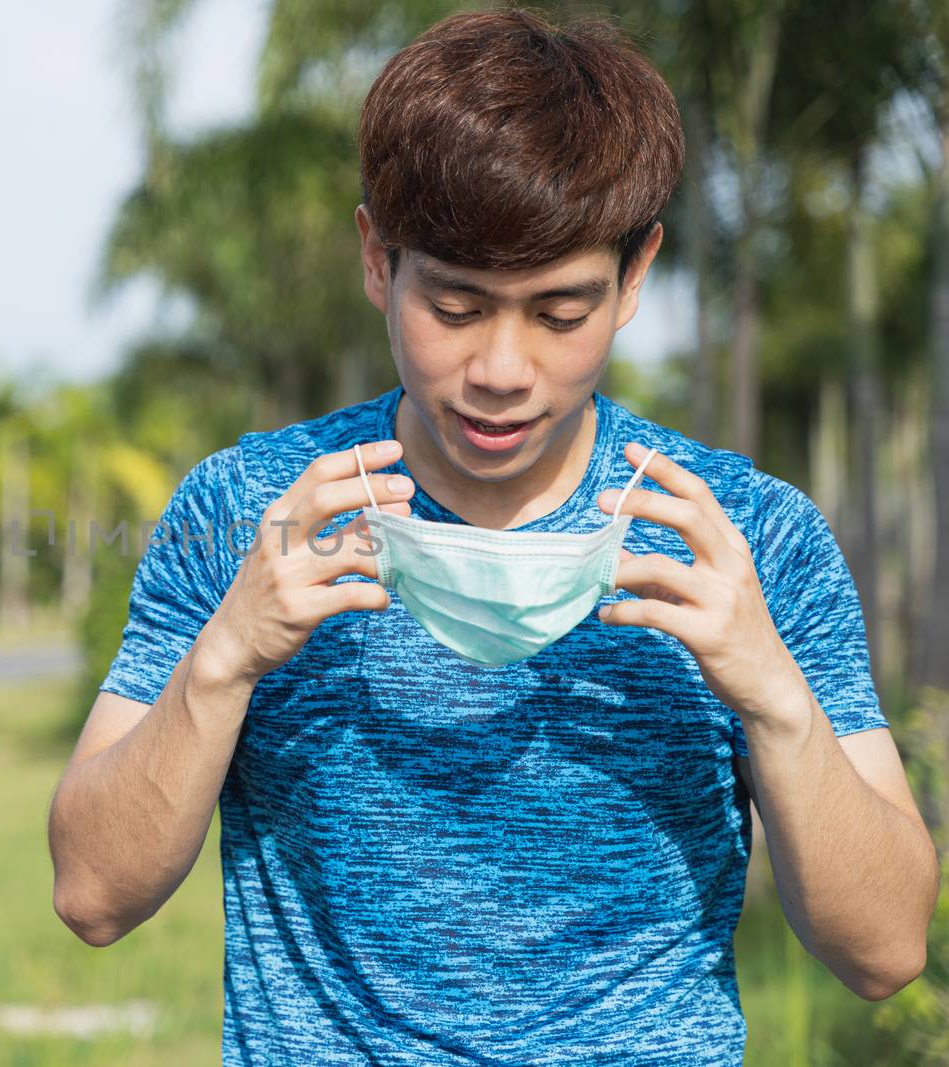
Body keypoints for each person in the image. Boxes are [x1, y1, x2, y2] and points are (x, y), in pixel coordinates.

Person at [46, 8, 939, 1064]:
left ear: (636, 275)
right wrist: (224, 658)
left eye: (560, 313)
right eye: (458, 306)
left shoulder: (746, 536)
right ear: (379, 258)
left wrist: (774, 695)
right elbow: (92, 895)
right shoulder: (251, 511)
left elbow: (884, 951)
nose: (503, 370)